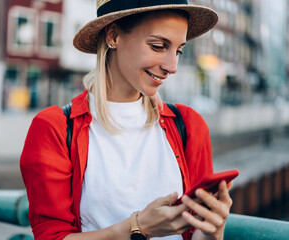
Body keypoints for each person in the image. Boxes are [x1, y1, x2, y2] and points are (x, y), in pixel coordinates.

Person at [20, 1, 233, 240]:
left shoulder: (189, 125)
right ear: (113, 36)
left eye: (179, 50)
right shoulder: (55, 128)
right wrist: (138, 228)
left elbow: (197, 233)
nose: (172, 66)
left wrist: (212, 229)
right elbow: (51, 236)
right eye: (158, 46)